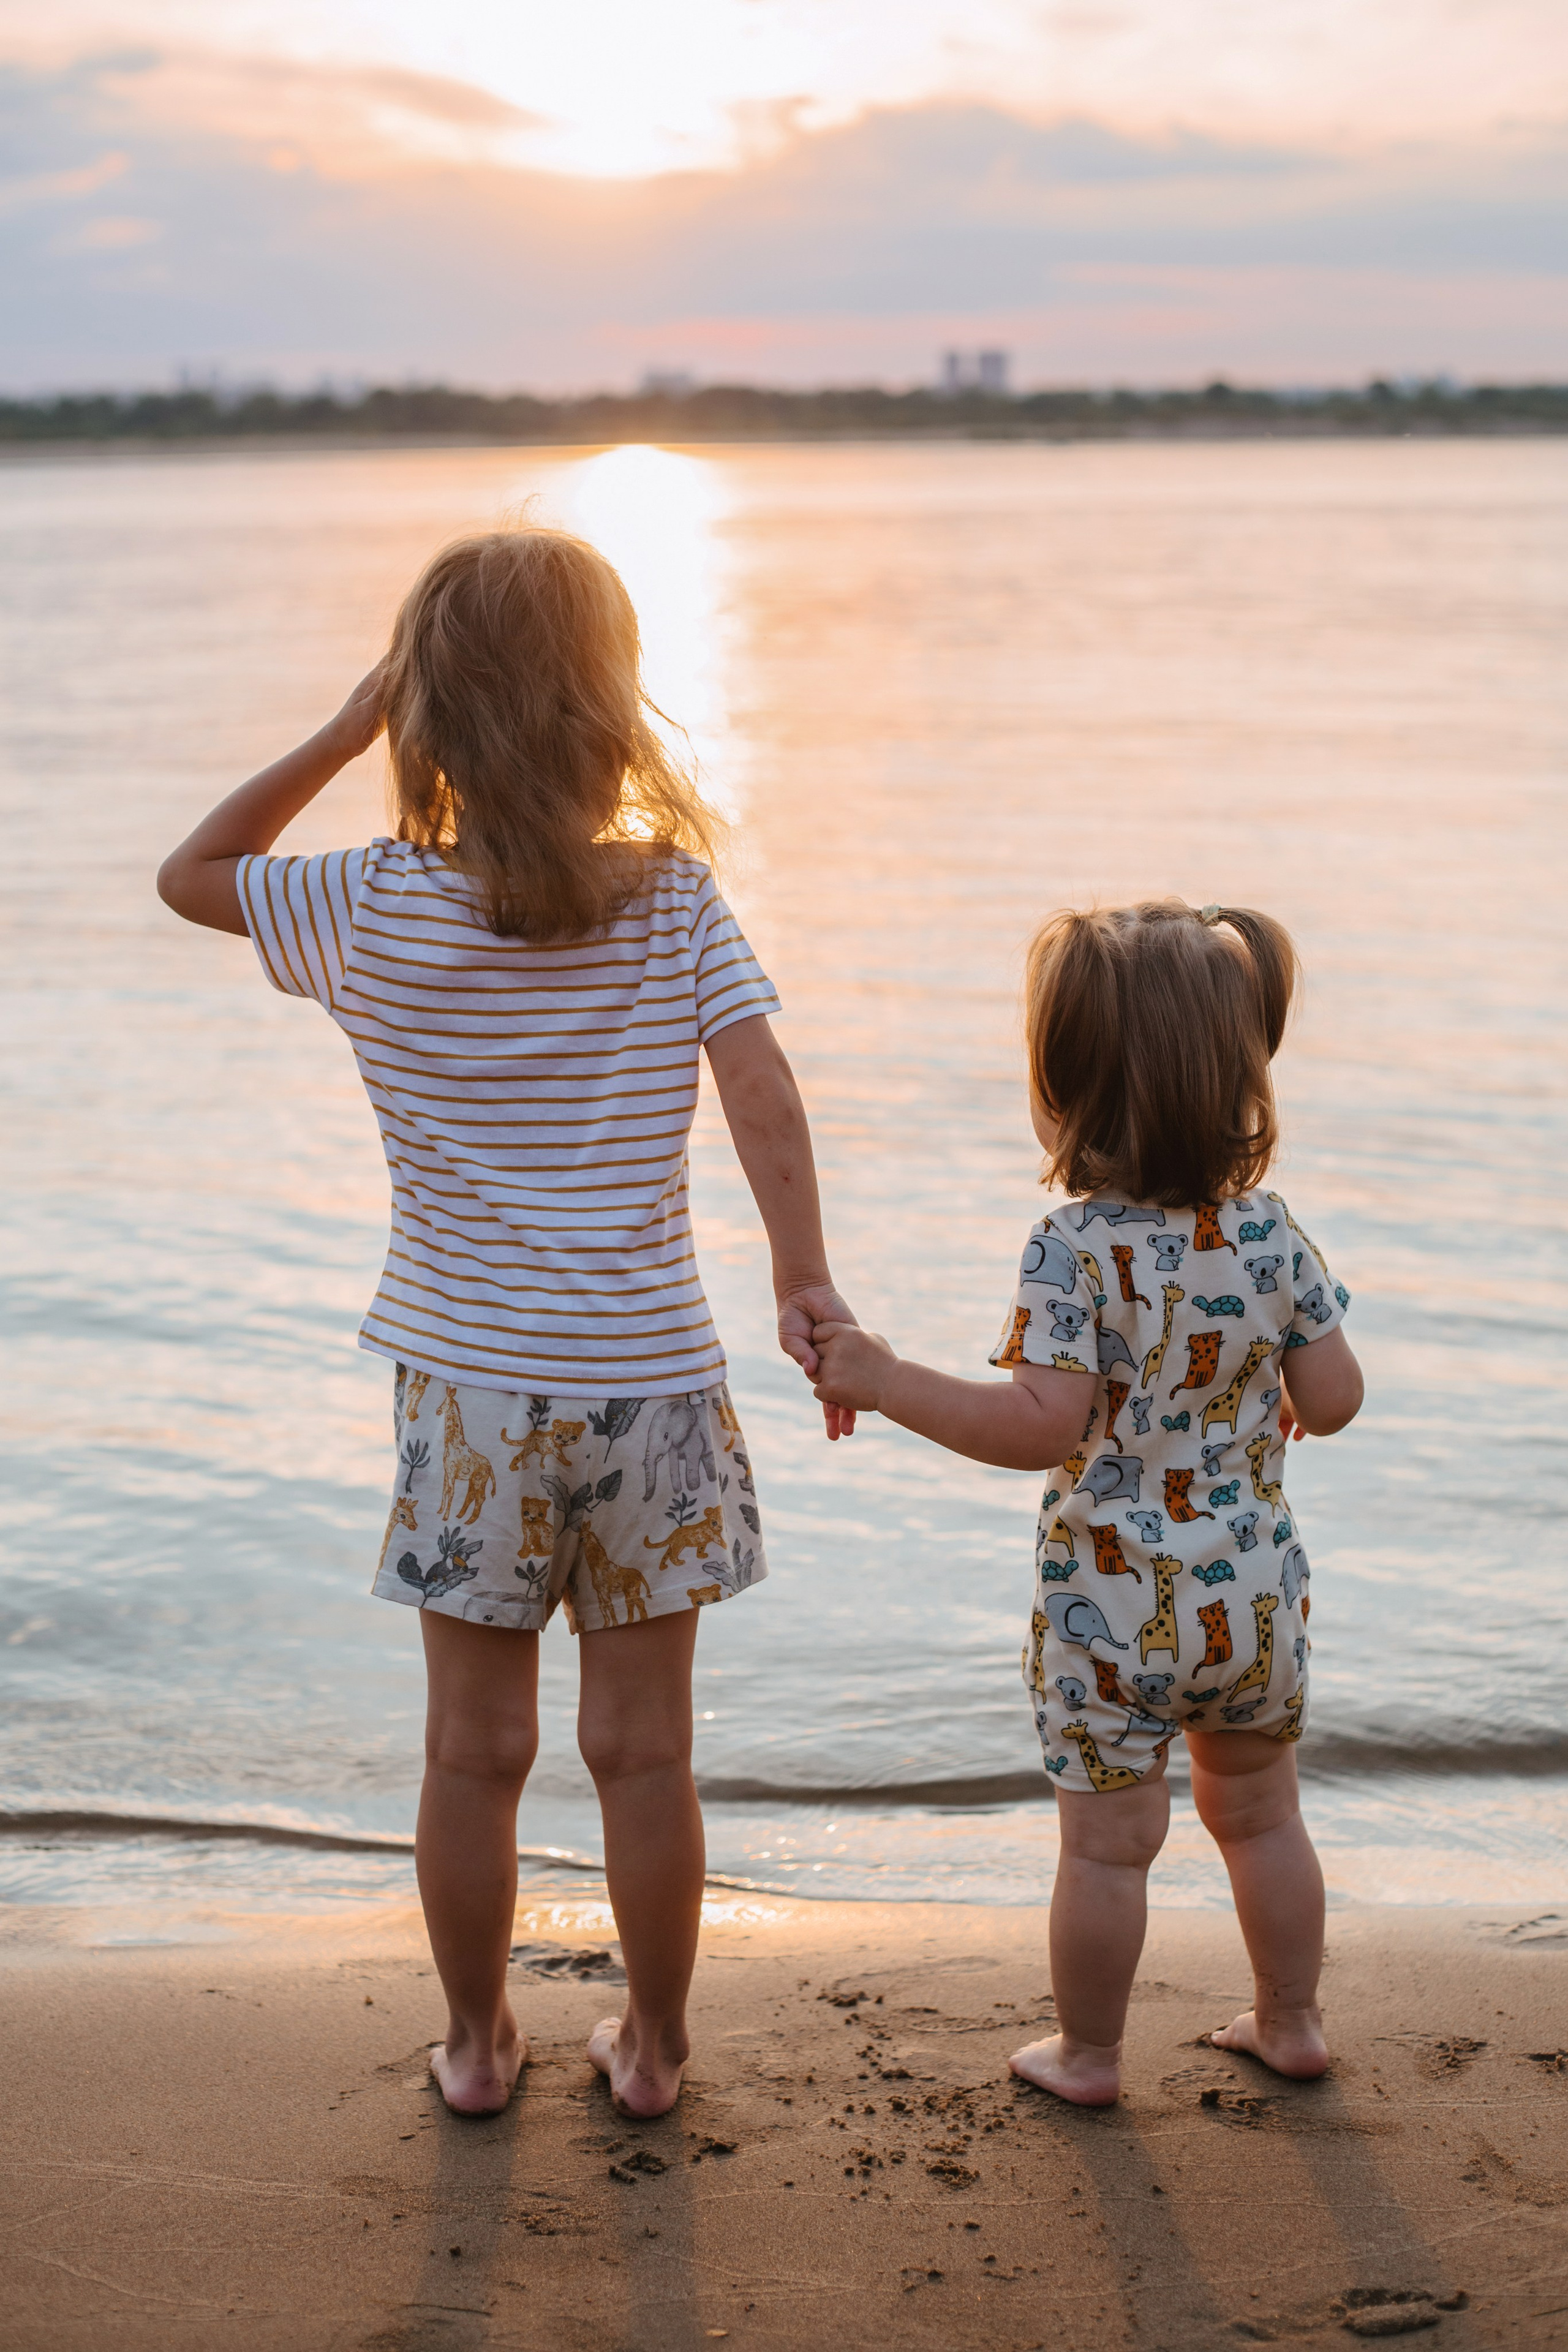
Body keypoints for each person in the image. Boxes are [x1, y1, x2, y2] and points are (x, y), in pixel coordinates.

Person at [157, 527, 853, 2120]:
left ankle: (476, 2050)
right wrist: (803, 1281)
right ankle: (653, 2051)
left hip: (470, 1394)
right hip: (651, 1383)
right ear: (608, 704)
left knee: (473, 1753)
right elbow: (762, 1091)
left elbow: (192, 874)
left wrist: (345, 729)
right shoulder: (672, 900)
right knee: (645, 1753)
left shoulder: (367, 904)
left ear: (425, 713)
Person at [810, 900, 1363, 2107]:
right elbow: (1336, 1396)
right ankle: (1290, 2021)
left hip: (1111, 1606)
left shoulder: (1070, 1248)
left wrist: (887, 1379)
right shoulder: (1273, 1235)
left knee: (1109, 1849)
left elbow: (1039, 1427)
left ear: (1066, 1091)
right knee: (1262, 1819)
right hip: (1253, 1595)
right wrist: (1272, 1395)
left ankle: (1092, 2056)